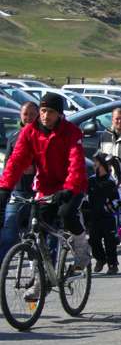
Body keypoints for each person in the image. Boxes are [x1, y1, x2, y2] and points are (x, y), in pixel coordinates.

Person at [0, 93, 90, 289]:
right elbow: (16, 161)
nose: (45, 116)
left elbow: (76, 163)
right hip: (45, 186)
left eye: (50, 112)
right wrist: (5, 188)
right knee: (38, 227)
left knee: (66, 214)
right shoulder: (30, 132)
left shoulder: (71, 132)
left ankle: (82, 249)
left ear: (59, 114)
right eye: (42, 111)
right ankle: (41, 278)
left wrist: (69, 188)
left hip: (72, 185)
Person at [0, 101, 37, 262]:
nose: (28, 117)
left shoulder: (44, 137)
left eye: (32, 114)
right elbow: (8, 165)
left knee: (36, 235)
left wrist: (34, 168)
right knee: (9, 231)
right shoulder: (14, 137)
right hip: (18, 191)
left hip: (38, 192)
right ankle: (3, 265)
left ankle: (38, 270)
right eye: (25, 114)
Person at [87, 154, 120, 274]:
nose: (95, 166)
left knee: (110, 242)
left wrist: (110, 206)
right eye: (94, 164)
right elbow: (86, 197)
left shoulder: (111, 181)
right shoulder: (90, 181)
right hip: (94, 216)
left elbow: (118, 200)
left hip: (107, 217)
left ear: (103, 165)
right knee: (93, 240)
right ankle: (100, 259)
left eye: (97, 164)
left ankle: (113, 264)